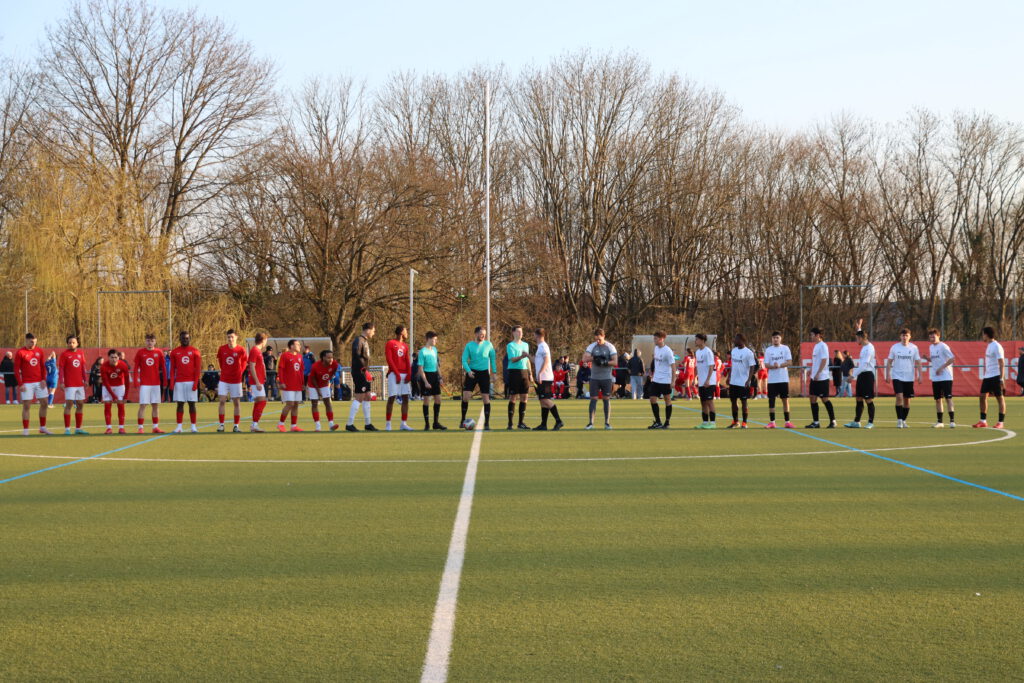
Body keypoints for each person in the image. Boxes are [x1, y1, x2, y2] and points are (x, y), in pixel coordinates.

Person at [14, 333, 52, 435]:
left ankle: (42, 428)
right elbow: (16, 370)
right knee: (26, 406)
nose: (33, 344)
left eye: (35, 342)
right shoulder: (20, 352)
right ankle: (26, 430)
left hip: (39, 382)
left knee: (45, 403)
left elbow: (42, 367)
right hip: (27, 383)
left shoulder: (39, 351)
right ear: (26, 341)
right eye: (31, 342)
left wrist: (43, 379)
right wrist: (20, 384)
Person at [885, 328, 923, 429]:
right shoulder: (894, 347)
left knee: (907, 401)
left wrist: (920, 375)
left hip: (909, 378)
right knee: (899, 397)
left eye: (906, 335)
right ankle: (899, 420)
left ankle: (903, 420)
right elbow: (889, 362)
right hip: (897, 376)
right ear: (900, 336)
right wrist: (887, 374)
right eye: (903, 335)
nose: (904, 337)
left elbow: (918, 362)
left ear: (910, 336)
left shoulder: (914, 348)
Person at [460, 326, 496, 430]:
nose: (483, 335)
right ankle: (462, 420)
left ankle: (487, 423)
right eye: (481, 334)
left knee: (486, 398)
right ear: (476, 334)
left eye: (484, 334)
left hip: (484, 373)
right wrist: (468, 371)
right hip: (472, 373)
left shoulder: (489, 345)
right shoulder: (469, 345)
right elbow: (464, 360)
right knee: (466, 396)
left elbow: (493, 359)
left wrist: (494, 372)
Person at [581, 328, 617, 429]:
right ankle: (590, 423)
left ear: (603, 336)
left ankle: (607, 423)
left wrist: (605, 362)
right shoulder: (592, 346)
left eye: (599, 339)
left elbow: (615, 362)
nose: (597, 341)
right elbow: (584, 359)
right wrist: (595, 357)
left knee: (606, 399)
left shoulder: (610, 347)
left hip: (606, 378)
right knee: (593, 399)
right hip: (594, 378)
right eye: (596, 339)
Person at [346, 323, 378, 431]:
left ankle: (368, 424)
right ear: (368, 330)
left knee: (367, 396)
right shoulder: (359, 340)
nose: (374, 333)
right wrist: (364, 370)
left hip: (364, 372)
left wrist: (367, 371)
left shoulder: (364, 341)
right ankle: (349, 424)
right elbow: (356, 355)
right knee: (360, 396)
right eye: (373, 330)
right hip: (359, 372)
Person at [215, 329, 247, 432]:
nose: (230, 339)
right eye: (228, 337)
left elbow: (244, 362)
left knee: (236, 402)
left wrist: (240, 372)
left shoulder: (241, 350)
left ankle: (236, 426)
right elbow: (220, 361)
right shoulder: (222, 349)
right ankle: (221, 425)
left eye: (232, 337)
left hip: (236, 380)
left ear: (236, 337)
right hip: (224, 379)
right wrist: (224, 370)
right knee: (222, 401)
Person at [170, 330, 202, 434]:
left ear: (189, 339)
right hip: (179, 382)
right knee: (180, 404)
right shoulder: (175, 352)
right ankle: (179, 427)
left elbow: (198, 369)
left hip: (191, 382)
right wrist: (172, 383)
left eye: (187, 338)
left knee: (192, 404)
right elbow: (172, 369)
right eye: (183, 338)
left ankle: (193, 426)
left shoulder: (195, 351)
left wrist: (196, 383)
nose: (185, 340)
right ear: (180, 339)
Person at [974, 326, 1006, 429]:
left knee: (999, 398)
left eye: (983, 334)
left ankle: (1000, 422)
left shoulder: (997, 346)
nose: (982, 336)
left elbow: (1002, 363)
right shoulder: (989, 345)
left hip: (996, 376)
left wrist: (1001, 378)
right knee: (982, 396)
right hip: (987, 376)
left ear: (986, 334)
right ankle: (983, 421)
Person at [531, 327, 563, 430]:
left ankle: (559, 421)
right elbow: (537, 361)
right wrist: (527, 355)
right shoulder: (540, 347)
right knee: (542, 400)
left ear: (537, 335)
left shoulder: (543, 346)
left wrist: (540, 373)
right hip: (542, 377)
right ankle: (543, 424)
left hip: (545, 377)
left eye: (534, 334)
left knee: (545, 399)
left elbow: (547, 360)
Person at [133, 333, 166, 434]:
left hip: (156, 384)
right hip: (145, 384)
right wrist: (135, 381)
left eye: (152, 341)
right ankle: (140, 428)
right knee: (143, 405)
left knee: (155, 405)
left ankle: (155, 427)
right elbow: (136, 368)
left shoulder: (159, 352)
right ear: (145, 341)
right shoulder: (140, 352)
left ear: (155, 342)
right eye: (148, 341)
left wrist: (165, 381)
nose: (150, 343)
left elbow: (163, 368)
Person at [844, 328, 877, 429]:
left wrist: (852, 376)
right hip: (861, 375)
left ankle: (870, 422)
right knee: (858, 398)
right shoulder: (864, 347)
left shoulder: (869, 348)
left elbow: (864, 365)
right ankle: (857, 422)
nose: (856, 340)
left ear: (861, 338)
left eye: (857, 338)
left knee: (868, 399)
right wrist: (859, 328)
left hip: (868, 375)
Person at [806, 327, 837, 428]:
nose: (811, 337)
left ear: (817, 335)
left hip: (822, 378)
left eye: (812, 335)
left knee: (824, 399)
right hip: (814, 378)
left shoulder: (823, 346)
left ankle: (833, 421)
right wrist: (811, 370)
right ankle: (816, 422)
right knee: (812, 398)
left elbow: (824, 361)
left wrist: (818, 373)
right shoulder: (816, 346)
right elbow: (816, 361)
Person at [58, 334, 89, 435]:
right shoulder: (64, 354)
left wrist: (85, 380)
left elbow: (82, 368)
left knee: (80, 404)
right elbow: (61, 369)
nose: (71, 344)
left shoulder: (80, 353)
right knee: (69, 405)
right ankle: (67, 429)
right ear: (67, 344)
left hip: (79, 384)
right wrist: (61, 382)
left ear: (77, 343)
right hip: (69, 384)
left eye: (73, 342)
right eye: (70, 342)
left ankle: (78, 428)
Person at [762, 331, 794, 429]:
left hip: (783, 379)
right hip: (772, 380)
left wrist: (779, 365)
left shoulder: (785, 348)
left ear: (780, 338)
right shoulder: (768, 350)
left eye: (777, 337)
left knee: (785, 400)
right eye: (774, 338)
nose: (775, 339)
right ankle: (772, 422)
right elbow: (766, 364)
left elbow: (789, 362)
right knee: (771, 401)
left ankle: (787, 422)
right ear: (771, 339)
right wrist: (773, 366)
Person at [384, 325, 413, 431]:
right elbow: (389, 359)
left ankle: (403, 424)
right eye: (406, 331)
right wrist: (396, 373)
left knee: (405, 398)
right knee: (392, 397)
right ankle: (388, 424)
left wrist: (409, 374)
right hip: (394, 374)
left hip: (404, 374)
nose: (407, 333)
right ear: (401, 332)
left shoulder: (405, 346)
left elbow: (407, 360)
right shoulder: (390, 343)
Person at [417, 331, 447, 430]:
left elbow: (436, 365)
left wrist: (440, 377)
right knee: (426, 400)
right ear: (428, 339)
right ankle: (427, 424)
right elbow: (420, 368)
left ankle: (436, 423)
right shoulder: (422, 352)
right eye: (434, 339)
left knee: (438, 399)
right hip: (426, 375)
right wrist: (425, 382)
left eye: (436, 339)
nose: (435, 341)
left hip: (434, 376)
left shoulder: (434, 349)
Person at [647, 330, 676, 429]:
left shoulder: (668, 351)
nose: (654, 340)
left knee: (667, 400)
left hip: (665, 380)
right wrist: (652, 372)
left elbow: (673, 367)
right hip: (656, 379)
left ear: (662, 339)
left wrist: (673, 381)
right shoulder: (656, 348)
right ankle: (658, 422)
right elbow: (655, 362)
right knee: (652, 399)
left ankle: (667, 423)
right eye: (654, 338)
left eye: (656, 339)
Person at [927, 328, 956, 428]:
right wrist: (927, 359)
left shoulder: (943, 346)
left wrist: (941, 368)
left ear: (938, 336)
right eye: (930, 337)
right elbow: (934, 360)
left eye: (934, 336)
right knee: (938, 399)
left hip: (946, 376)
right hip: (936, 377)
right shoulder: (931, 347)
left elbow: (952, 358)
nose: (932, 338)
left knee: (948, 398)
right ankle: (940, 422)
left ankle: (952, 421)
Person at [726, 334, 756, 429]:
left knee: (744, 402)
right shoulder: (733, 351)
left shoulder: (748, 352)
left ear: (741, 340)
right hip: (733, 381)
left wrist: (749, 379)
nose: (734, 340)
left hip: (743, 382)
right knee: (733, 402)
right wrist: (729, 377)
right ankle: (735, 422)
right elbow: (732, 365)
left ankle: (744, 423)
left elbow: (752, 367)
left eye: (736, 339)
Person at [505, 325, 531, 430]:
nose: (520, 333)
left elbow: (527, 360)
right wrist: (521, 356)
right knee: (513, 397)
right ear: (513, 333)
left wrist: (530, 373)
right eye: (518, 331)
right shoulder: (510, 345)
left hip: (524, 372)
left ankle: (521, 423)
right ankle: (510, 423)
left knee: (524, 397)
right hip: (514, 372)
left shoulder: (526, 345)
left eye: (521, 331)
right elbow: (512, 359)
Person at [307, 349, 340, 431]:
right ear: (323, 358)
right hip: (313, 385)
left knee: (328, 403)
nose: (331, 359)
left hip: (324, 384)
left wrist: (329, 382)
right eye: (328, 358)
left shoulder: (335, 364)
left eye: (332, 357)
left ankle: (331, 424)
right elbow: (313, 378)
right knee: (314, 404)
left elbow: (332, 373)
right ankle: (317, 426)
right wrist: (318, 390)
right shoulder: (315, 366)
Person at [100, 348, 131, 434]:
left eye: (116, 357)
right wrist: (113, 396)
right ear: (108, 357)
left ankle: (121, 428)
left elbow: (127, 381)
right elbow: (105, 382)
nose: (114, 359)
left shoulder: (123, 365)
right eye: (112, 357)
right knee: (107, 405)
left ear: (118, 357)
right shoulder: (104, 366)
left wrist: (126, 395)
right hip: (107, 387)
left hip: (119, 386)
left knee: (121, 405)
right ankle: (109, 428)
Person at [277, 339, 305, 432]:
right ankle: (280, 424)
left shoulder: (300, 356)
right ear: (292, 346)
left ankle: (294, 426)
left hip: (298, 384)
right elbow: (281, 369)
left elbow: (301, 371)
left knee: (296, 404)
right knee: (290, 404)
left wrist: (302, 383)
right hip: (288, 384)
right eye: (298, 344)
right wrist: (281, 382)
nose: (300, 346)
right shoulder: (285, 355)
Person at [693, 334, 717, 428]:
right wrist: (695, 378)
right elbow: (696, 367)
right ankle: (705, 422)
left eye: (697, 339)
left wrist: (707, 380)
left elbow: (711, 366)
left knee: (709, 401)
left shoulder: (708, 352)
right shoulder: (697, 352)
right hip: (701, 382)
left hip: (709, 382)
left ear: (702, 340)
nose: (695, 341)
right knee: (703, 402)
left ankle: (713, 423)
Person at [247, 333, 269, 432]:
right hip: (256, 381)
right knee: (262, 401)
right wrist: (257, 382)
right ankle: (254, 424)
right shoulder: (255, 350)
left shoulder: (258, 351)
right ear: (263, 340)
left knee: (259, 402)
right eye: (266, 340)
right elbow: (251, 366)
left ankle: (254, 425)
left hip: (259, 380)